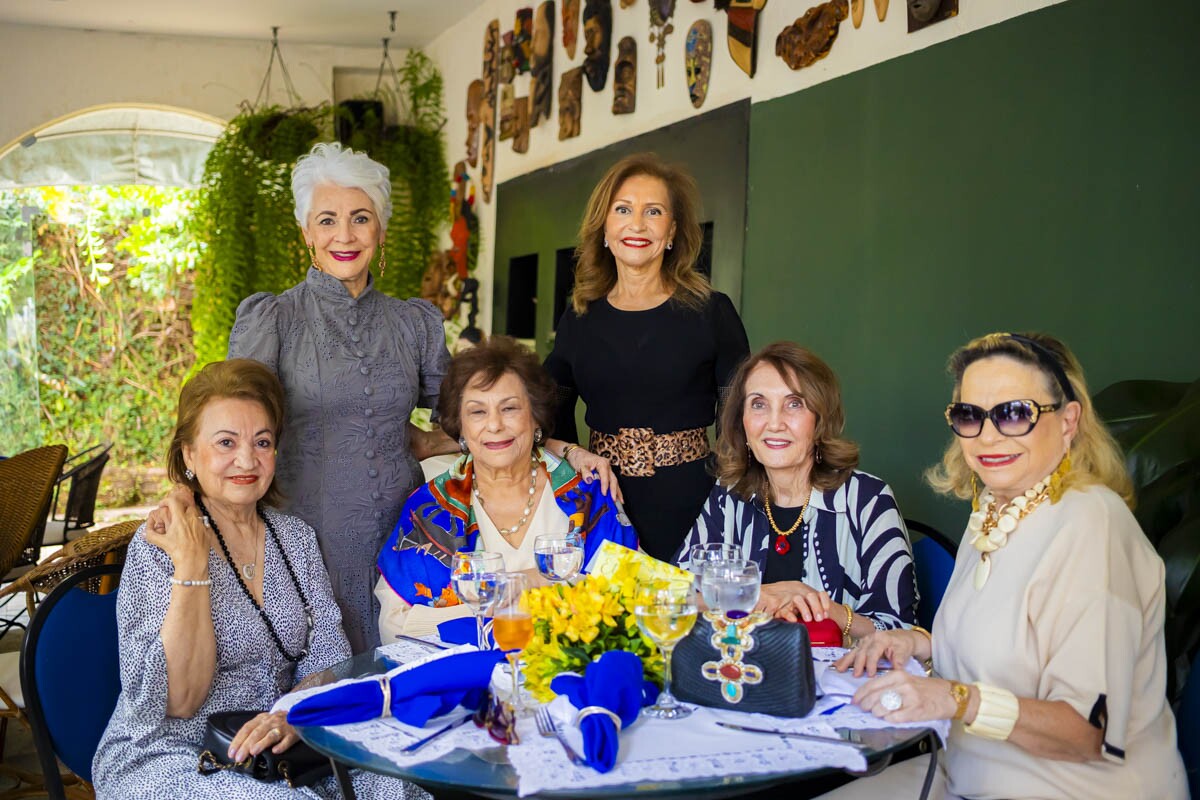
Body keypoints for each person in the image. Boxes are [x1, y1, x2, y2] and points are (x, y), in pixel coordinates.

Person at [827, 332, 1187, 799]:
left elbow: (1084, 732)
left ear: (1068, 421)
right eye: (969, 415)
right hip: (968, 770)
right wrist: (917, 645)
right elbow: (1012, 650)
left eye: (1015, 413)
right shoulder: (995, 511)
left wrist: (954, 698)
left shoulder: (1092, 524)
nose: (989, 435)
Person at [92, 360, 425, 800]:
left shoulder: (295, 539)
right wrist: (192, 566)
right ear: (190, 453)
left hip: (275, 746)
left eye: (262, 442)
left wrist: (291, 713)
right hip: (170, 753)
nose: (247, 460)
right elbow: (179, 699)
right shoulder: (161, 544)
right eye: (225, 442)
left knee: (399, 782)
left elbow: (329, 654)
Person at [226, 141, 452, 653]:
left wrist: (429, 442)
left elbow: (467, 416)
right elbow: (230, 426)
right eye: (327, 220)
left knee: (401, 673)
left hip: (405, 537)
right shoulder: (274, 319)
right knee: (316, 685)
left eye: (360, 218)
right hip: (304, 541)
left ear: (381, 230)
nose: (344, 236)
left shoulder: (414, 322)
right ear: (306, 232)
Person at [544, 153, 750, 562]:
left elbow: (741, 418)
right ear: (604, 227)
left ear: (672, 231)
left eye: (653, 212)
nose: (636, 224)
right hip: (602, 505)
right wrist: (572, 460)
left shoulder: (712, 311)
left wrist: (727, 505)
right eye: (622, 210)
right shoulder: (579, 317)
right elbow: (547, 409)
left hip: (697, 506)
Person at [375, 336, 638, 641]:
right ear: (461, 427)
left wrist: (500, 600)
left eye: (509, 408)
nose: (495, 425)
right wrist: (532, 594)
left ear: (536, 417)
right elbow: (397, 627)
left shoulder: (588, 496)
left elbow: (628, 600)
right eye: (477, 412)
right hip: (464, 681)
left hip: (570, 676)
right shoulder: (428, 508)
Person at [674, 342, 917, 634]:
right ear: (743, 422)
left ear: (820, 420)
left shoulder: (868, 500)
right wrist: (754, 597)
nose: (774, 423)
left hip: (843, 675)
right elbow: (677, 596)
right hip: (744, 669)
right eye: (759, 404)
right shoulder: (729, 496)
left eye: (794, 404)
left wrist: (829, 611)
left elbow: (900, 631)